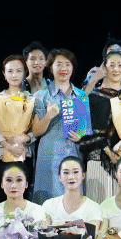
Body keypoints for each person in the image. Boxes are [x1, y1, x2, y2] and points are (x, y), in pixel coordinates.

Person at [32, 49, 90, 204]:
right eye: (59, 64)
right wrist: (48, 116)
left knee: (74, 199)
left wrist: (80, 136)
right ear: (51, 68)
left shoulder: (82, 96)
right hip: (49, 155)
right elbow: (36, 131)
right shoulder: (41, 96)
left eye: (67, 64)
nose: (64, 68)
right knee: (48, 200)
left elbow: (86, 130)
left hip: (74, 153)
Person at [82, 48, 121, 203]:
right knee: (98, 205)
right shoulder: (93, 95)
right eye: (112, 65)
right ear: (104, 68)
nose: (116, 69)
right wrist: (109, 153)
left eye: (120, 65)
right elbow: (85, 129)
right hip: (97, 156)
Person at [0, 54, 44, 189]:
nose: (14, 75)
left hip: (25, 152)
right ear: (4, 74)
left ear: (25, 73)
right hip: (2, 153)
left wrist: (26, 138)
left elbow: (36, 129)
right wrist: (9, 146)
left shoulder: (32, 99)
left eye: (18, 71)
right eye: (10, 71)